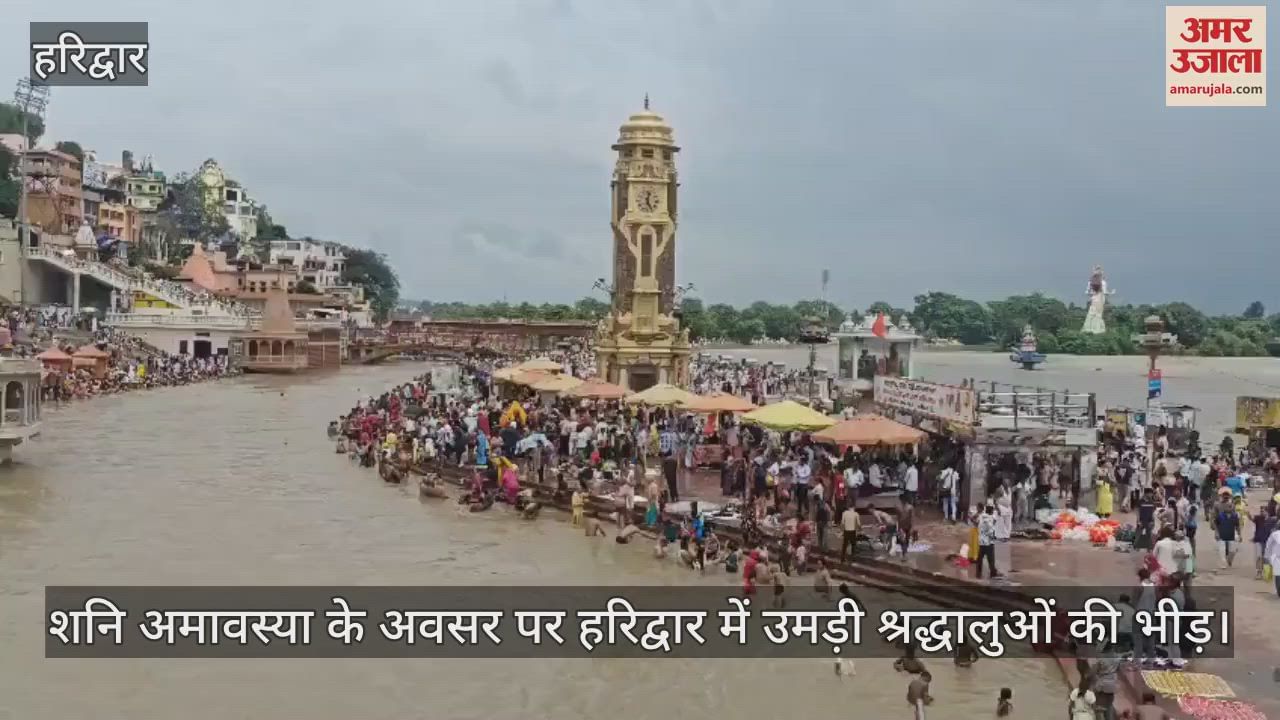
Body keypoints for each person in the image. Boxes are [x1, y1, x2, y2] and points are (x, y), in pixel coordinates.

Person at [1211, 488, 1242, 570]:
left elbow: (1236, 518)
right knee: (1222, 547)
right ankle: (1223, 563)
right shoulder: (1217, 504)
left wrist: (1239, 533)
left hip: (1231, 527)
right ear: (1222, 495)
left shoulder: (1232, 504)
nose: (1226, 496)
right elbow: (1213, 516)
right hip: (1220, 526)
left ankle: (1229, 558)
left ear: (1229, 496)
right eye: (1224, 495)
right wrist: (1214, 529)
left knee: (1234, 547)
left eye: (1227, 495)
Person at [975, 504, 999, 579]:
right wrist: (994, 536)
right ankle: (993, 573)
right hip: (988, 543)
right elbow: (990, 531)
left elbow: (976, 522)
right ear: (991, 511)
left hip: (981, 542)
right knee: (991, 559)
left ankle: (978, 573)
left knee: (980, 559)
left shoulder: (981, 516)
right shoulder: (989, 519)